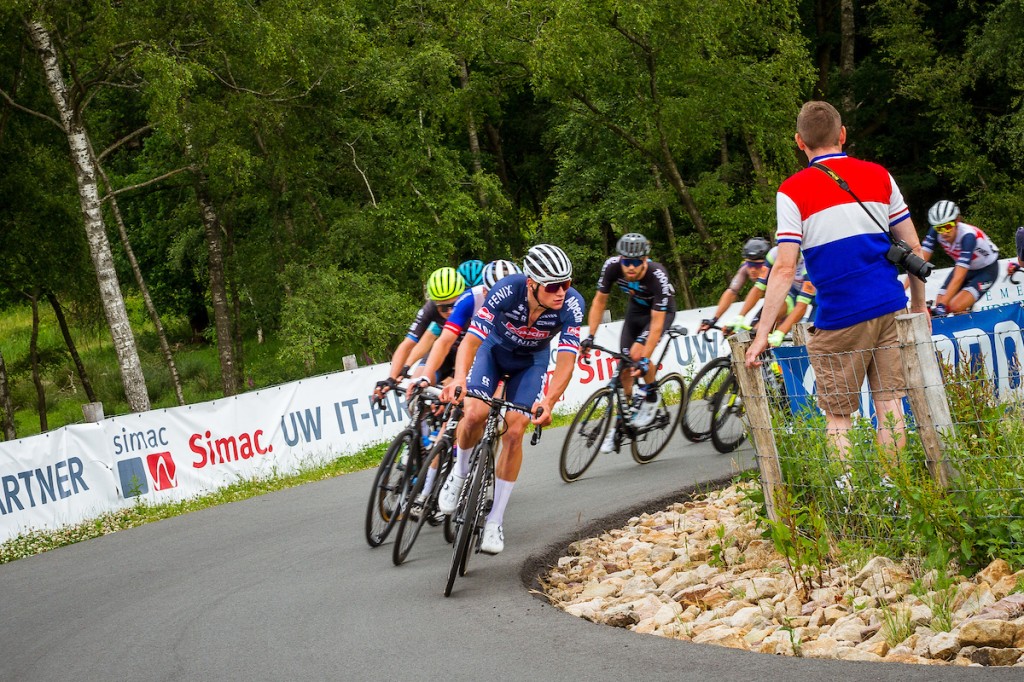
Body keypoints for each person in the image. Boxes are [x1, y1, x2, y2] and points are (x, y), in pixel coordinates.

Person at [745, 100, 929, 464]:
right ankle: (896, 493)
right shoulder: (880, 175)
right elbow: (914, 248)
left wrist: (763, 333)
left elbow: (784, 269)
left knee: (838, 416)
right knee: (889, 404)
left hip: (840, 317)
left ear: (800, 142)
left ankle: (850, 500)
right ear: (842, 134)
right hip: (890, 306)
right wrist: (919, 307)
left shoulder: (792, 191)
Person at [438, 244, 584, 554]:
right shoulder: (506, 290)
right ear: (531, 283)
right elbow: (472, 341)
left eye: (567, 283)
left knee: (516, 431)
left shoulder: (572, 305)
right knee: (475, 414)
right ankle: (459, 471)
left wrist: (550, 401)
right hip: (494, 353)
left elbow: (567, 362)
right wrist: (461, 378)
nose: (562, 292)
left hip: (531, 363)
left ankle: (495, 522)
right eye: (553, 285)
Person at [405, 260, 521, 515]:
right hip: (460, 363)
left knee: (496, 420)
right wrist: (413, 373)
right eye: (443, 305)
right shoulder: (466, 302)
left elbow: (497, 358)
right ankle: (431, 484)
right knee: (442, 407)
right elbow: (436, 343)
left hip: (493, 361)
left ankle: (484, 477)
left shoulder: (514, 311)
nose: (448, 308)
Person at [583, 233, 676, 447]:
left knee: (637, 355)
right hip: (635, 310)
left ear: (645, 260)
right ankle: (624, 416)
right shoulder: (612, 267)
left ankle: (651, 395)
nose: (630, 268)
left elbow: (656, 324)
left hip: (659, 314)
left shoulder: (657, 275)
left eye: (636, 262)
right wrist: (590, 336)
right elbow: (598, 302)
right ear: (620, 259)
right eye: (627, 262)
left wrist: (645, 358)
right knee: (624, 365)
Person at [372, 267, 466, 402]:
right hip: (446, 353)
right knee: (415, 392)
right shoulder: (430, 309)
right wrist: (392, 378)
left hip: (469, 355)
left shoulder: (471, 306)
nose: (450, 311)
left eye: (454, 304)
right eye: (443, 307)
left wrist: (454, 376)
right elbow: (407, 345)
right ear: (434, 303)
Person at [915, 200, 999, 315]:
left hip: (986, 269)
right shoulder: (935, 232)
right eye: (940, 228)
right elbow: (918, 262)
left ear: (957, 221)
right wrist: (902, 288)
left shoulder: (968, 236)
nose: (944, 233)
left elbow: (959, 276)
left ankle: (970, 316)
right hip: (967, 268)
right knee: (940, 302)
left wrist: (942, 306)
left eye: (948, 226)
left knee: (955, 306)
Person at [698, 237, 771, 334]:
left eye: (757, 265)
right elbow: (732, 292)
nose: (753, 270)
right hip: (774, 300)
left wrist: (739, 318)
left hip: (790, 298)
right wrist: (714, 319)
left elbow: (758, 291)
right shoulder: (745, 268)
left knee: (760, 333)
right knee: (753, 334)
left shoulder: (772, 268)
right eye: (749, 264)